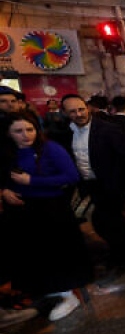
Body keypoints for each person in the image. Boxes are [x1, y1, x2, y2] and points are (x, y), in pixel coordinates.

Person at [0, 112, 91, 321]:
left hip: (51, 208)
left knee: (57, 253)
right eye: (18, 131)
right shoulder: (7, 152)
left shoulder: (50, 148)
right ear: (8, 133)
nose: (26, 135)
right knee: (34, 254)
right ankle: (47, 291)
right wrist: (4, 190)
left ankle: (67, 295)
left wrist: (32, 181)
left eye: (30, 129)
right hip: (22, 210)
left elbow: (71, 176)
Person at [60, 94, 125, 270]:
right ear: (65, 113)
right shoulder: (66, 132)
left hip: (111, 183)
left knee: (110, 221)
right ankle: (119, 254)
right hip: (89, 184)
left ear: (88, 107)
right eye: (73, 111)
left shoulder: (108, 129)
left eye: (81, 109)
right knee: (105, 221)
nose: (79, 114)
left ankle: (123, 258)